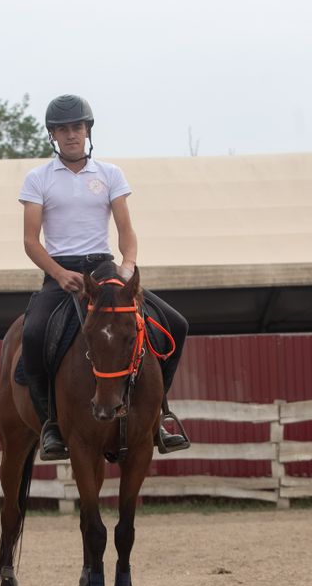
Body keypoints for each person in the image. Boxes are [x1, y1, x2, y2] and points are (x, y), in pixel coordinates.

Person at [19, 94, 190, 461]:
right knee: (32, 335)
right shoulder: (38, 179)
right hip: (60, 272)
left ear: (88, 130)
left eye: (77, 127)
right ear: (53, 135)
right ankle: (51, 423)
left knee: (175, 323)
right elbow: (31, 242)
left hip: (104, 268)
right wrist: (59, 273)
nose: (71, 135)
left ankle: (160, 414)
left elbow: (126, 230)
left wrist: (128, 265)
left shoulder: (110, 174)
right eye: (62, 129)